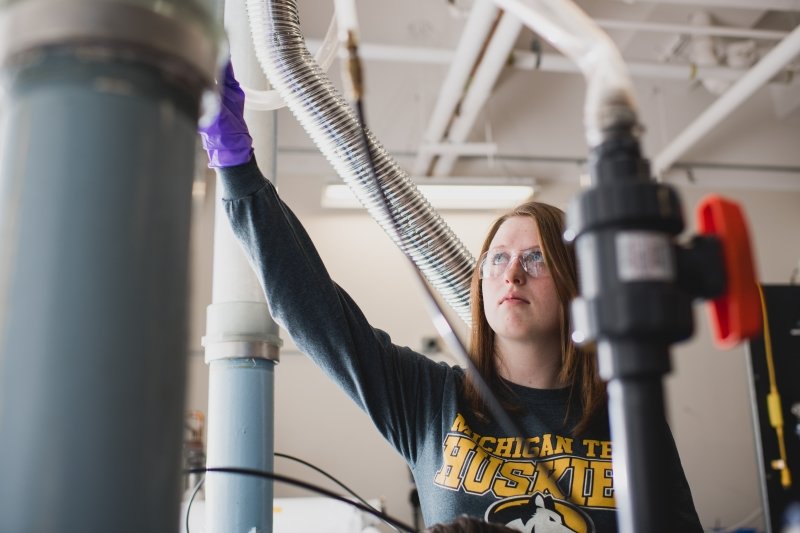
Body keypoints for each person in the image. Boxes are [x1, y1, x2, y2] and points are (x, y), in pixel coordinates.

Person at [199, 62, 704, 532]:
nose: (513, 276)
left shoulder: (627, 412)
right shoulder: (430, 400)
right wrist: (237, 169)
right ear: (480, 281)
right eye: (498, 259)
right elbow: (312, 309)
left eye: (536, 259)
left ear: (575, 284)